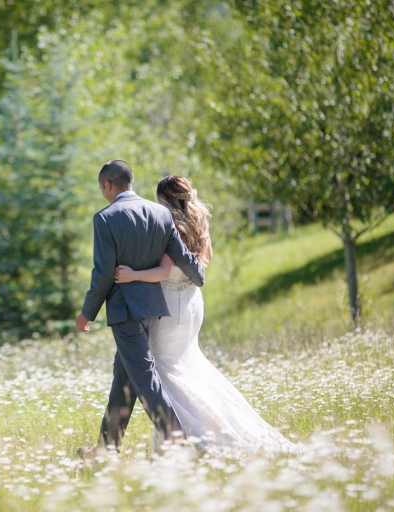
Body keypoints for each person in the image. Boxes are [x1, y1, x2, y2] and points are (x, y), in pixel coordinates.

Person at [113, 175, 297, 456]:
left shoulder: (170, 225)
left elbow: (163, 271)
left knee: (165, 372)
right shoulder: (199, 222)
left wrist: (132, 275)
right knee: (188, 367)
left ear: (165, 199)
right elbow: (205, 259)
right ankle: (198, 432)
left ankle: (193, 438)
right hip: (192, 302)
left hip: (172, 308)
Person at [75, 161, 206, 455]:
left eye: (101, 188)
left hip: (125, 312)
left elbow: (103, 273)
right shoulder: (160, 213)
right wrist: (199, 276)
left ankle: (179, 443)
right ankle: (105, 449)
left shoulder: (105, 218)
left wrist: (87, 313)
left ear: (108, 184)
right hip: (152, 310)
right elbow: (182, 255)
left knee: (144, 379)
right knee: (124, 379)